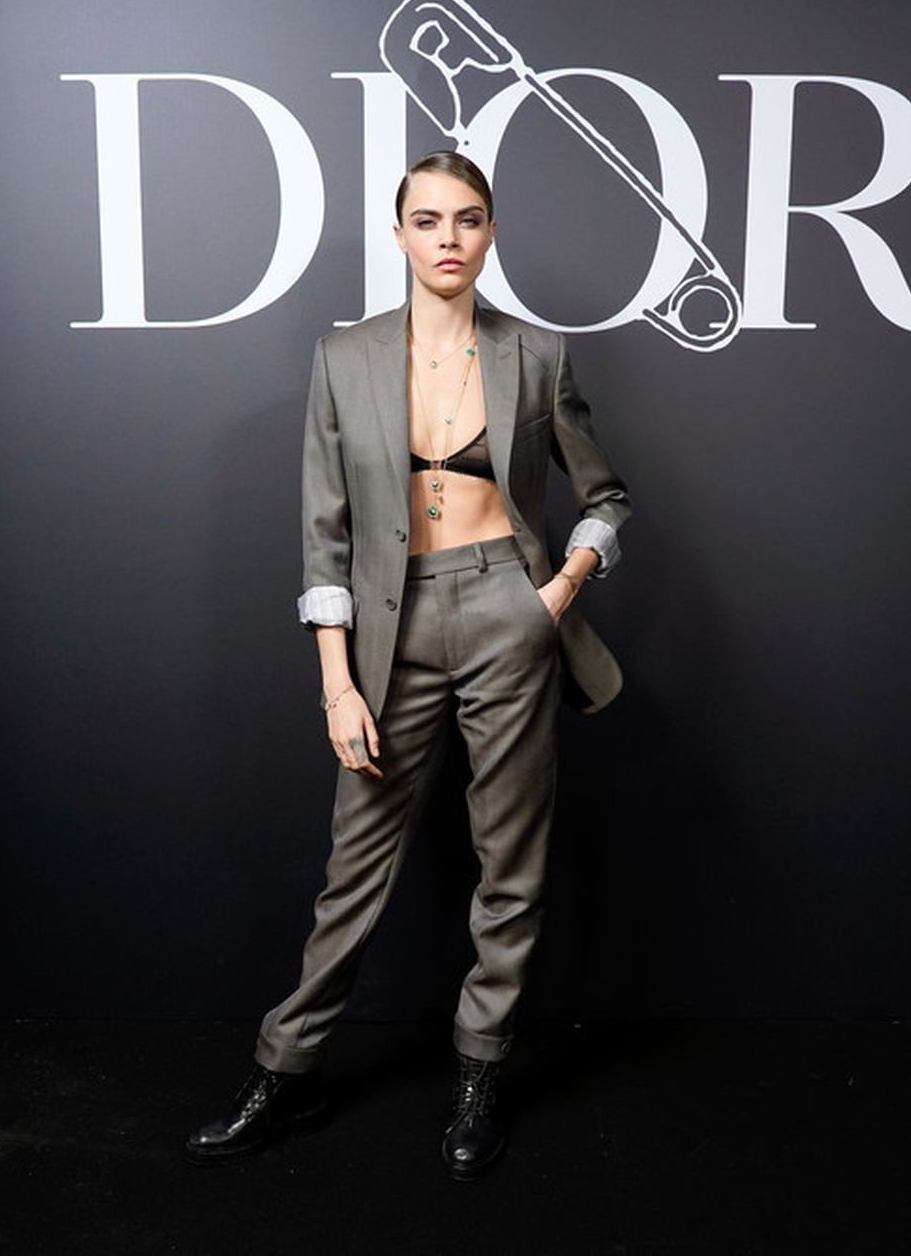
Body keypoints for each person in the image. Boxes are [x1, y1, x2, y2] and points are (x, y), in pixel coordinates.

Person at [185, 150, 631, 1181]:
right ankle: (288, 1069)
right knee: (355, 867)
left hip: (508, 609)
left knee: (510, 864)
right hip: (391, 627)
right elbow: (325, 529)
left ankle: (481, 1072)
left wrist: (555, 594)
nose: (447, 238)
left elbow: (606, 498)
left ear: (490, 231)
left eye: (467, 219)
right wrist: (336, 681)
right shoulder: (343, 357)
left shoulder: (537, 352)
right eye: (427, 220)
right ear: (399, 235)